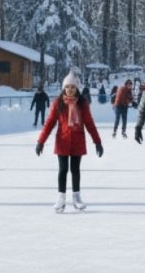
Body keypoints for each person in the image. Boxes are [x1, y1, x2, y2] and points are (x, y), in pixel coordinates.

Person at [36, 72, 103, 213]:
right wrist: (41, 141)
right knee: (63, 170)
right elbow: (49, 123)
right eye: (67, 87)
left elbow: (89, 123)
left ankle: (76, 198)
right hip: (62, 141)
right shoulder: (58, 103)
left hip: (77, 141)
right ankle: (61, 198)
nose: (70, 89)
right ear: (64, 88)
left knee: (75, 170)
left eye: (73, 87)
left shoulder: (82, 103)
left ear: (77, 88)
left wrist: (97, 142)